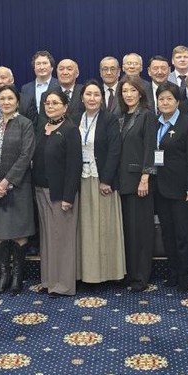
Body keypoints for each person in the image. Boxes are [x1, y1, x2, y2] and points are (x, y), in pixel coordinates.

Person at [0, 85, 36, 295]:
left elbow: (26, 155)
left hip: (18, 188)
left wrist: (6, 182)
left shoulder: (25, 124)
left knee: (19, 233)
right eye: (2, 99)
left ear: (17, 102)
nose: (6, 102)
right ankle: (4, 275)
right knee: (1, 234)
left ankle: (17, 276)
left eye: (10, 98)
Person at [153, 82, 188, 292]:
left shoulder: (187, 123)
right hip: (160, 189)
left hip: (182, 191)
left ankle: (184, 278)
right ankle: (172, 274)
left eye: (169, 99)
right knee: (168, 234)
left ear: (178, 102)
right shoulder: (154, 122)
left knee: (183, 235)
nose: (165, 102)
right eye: (161, 99)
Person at [33, 88, 83, 297]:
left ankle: (63, 285)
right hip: (40, 190)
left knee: (62, 239)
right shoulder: (42, 127)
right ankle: (48, 281)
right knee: (47, 238)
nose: (50, 106)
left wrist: (68, 197)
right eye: (47, 103)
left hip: (60, 194)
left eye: (55, 103)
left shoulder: (70, 130)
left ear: (65, 107)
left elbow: (74, 166)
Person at [75, 80, 125, 286]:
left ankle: (108, 273)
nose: (92, 98)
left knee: (104, 228)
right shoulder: (75, 118)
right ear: (82, 98)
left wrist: (106, 180)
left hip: (102, 181)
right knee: (85, 229)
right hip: (81, 180)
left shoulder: (109, 119)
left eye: (96, 95)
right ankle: (87, 274)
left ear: (102, 99)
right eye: (88, 94)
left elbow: (114, 151)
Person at [116, 77, 156, 292]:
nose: (128, 95)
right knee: (128, 231)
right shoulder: (121, 116)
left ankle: (141, 276)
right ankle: (129, 273)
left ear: (140, 93)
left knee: (141, 231)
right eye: (125, 91)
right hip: (122, 181)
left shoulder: (147, 115)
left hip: (140, 182)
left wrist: (145, 176)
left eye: (132, 90)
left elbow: (151, 147)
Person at [20, 51, 60, 122]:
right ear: (34, 68)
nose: (41, 67)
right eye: (38, 64)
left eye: (45, 63)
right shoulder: (25, 88)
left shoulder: (60, 85)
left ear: (52, 67)